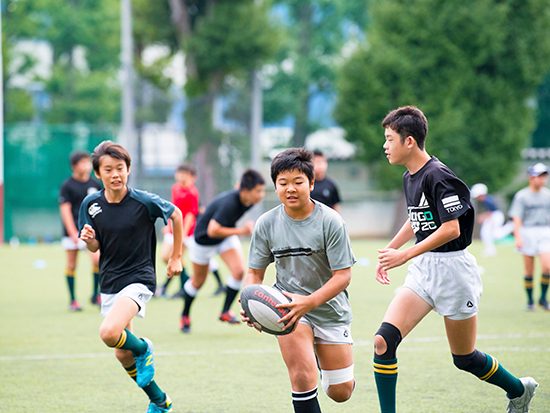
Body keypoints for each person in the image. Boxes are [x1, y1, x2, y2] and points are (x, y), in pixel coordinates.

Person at [374, 106, 537, 413]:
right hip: (424, 269)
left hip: (454, 271)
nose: (385, 145)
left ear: (409, 141)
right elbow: (417, 218)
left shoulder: (439, 176)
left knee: (464, 358)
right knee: (383, 341)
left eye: (389, 138)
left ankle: (519, 390)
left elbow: (452, 228)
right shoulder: (411, 176)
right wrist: (389, 252)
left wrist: (405, 254)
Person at [241, 148, 356, 413]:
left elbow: (344, 276)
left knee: (340, 392)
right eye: (283, 183)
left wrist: (310, 302)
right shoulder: (266, 223)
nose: (290, 189)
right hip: (288, 307)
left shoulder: (331, 222)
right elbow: (254, 273)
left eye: (298, 182)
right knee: (303, 379)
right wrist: (250, 304)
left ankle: (320, 356)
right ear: (275, 186)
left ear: (312, 184)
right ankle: (306, 356)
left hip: (329, 309)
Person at [79, 141, 182, 413]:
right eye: (108, 169)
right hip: (110, 281)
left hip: (139, 278)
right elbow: (94, 245)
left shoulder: (143, 201)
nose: (115, 174)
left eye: (120, 168)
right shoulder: (91, 204)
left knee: (109, 333)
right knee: (121, 351)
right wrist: (89, 240)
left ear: (128, 170)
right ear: (98, 174)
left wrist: (176, 257)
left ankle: (144, 348)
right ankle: (160, 401)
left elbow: (176, 214)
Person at [180, 169, 266, 333]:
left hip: (224, 237)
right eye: (258, 191)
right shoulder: (230, 203)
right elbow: (213, 230)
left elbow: (238, 185)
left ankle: (225, 311)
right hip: (204, 241)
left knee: (239, 271)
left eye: (262, 190)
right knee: (198, 282)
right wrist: (242, 231)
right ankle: (184, 315)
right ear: (246, 191)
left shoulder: (245, 197)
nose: (261, 195)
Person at [156, 163, 225, 299]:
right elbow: (173, 209)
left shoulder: (193, 192)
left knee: (200, 259)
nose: (181, 176)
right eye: (179, 173)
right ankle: (181, 282)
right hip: (173, 229)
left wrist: (181, 234)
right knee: (166, 257)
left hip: (187, 232)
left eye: (184, 174)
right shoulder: (175, 188)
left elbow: (189, 215)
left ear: (191, 177)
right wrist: (168, 225)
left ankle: (175, 287)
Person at [58, 151, 102, 311]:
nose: (87, 166)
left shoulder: (94, 184)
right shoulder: (67, 185)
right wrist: (73, 234)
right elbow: (65, 211)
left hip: (90, 231)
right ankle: (73, 300)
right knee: (72, 264)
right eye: (83, 163)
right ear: (74, 167)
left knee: (97, 260)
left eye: (88, 162)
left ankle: (96, 295)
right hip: (73, 233)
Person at [508, 162, 550, 311]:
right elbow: (517, 217)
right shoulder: (522, 195)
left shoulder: (547, 195)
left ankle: (543, 298)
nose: (542, 179)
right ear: (530, 177)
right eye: (539, 176)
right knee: (529, 270)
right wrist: (518, 236)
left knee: (547, 267)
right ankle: (530, 300)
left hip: (544, 231)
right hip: (528, 231)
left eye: (544, 176)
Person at [470, 183, 514, 257]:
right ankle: (490, 250)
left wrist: (485, 219)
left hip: (495, 217)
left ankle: (511, 226)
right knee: (486, 233)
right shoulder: (485, 200)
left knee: (494, 234)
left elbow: (491, 212)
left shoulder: (487, 200)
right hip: (494, 217)